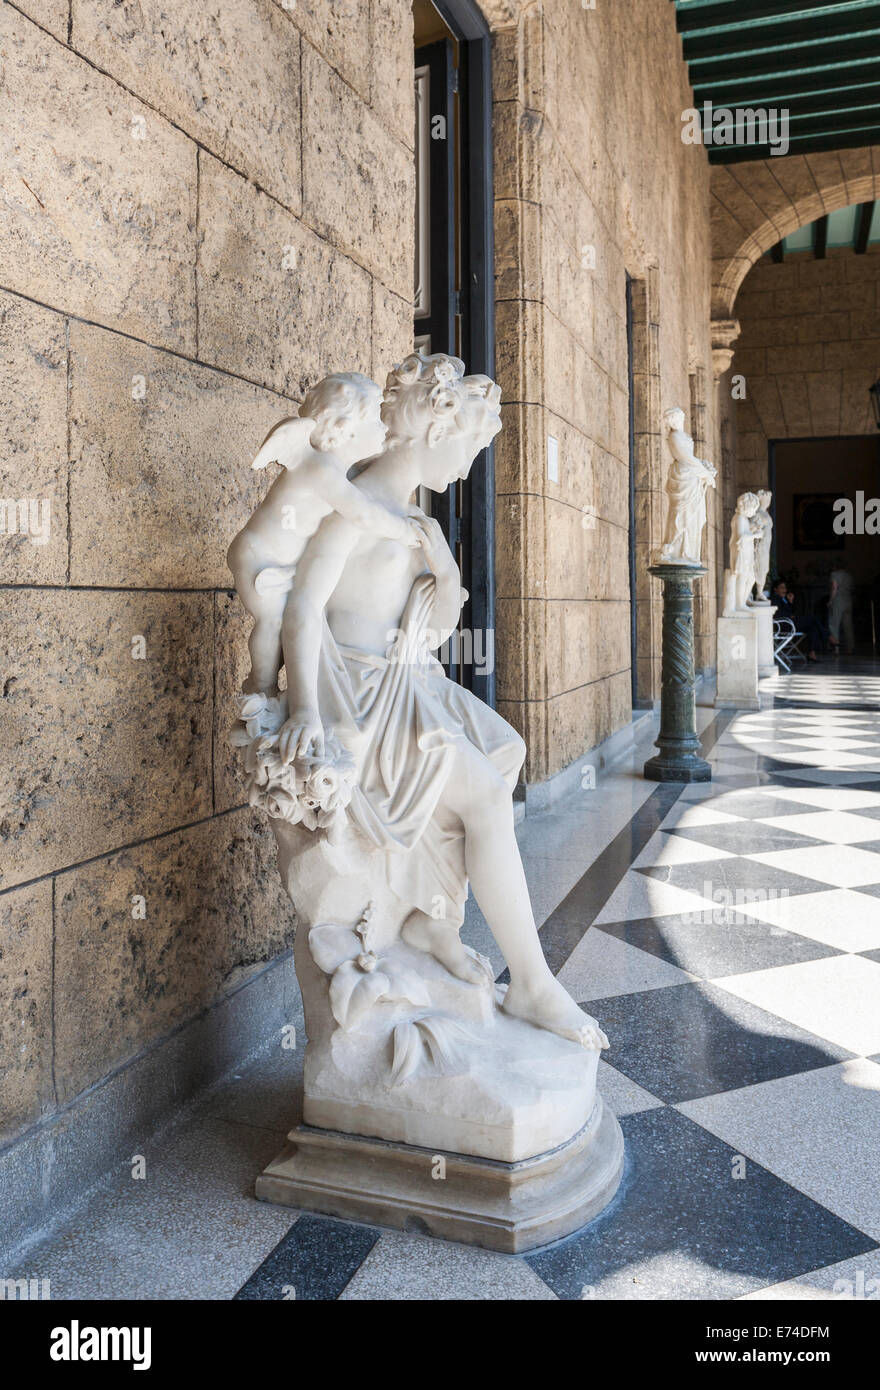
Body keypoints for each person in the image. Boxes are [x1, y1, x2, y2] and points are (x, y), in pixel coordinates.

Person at [276, 350, 606, 1051]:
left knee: (503, 749)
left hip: (411, 683)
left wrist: (447, 566)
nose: (466, 469)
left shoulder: (414, 520)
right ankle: (535, 985)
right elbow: (301, 610)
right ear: (434, 427)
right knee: (483, 796)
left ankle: (432, 920)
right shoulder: (356, 507)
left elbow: (439, 621)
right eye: (469, 449)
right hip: (361, 697)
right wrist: (304, 709)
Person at [227, 373, 419, 696]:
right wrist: (402, 530)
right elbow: (363, 512)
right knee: (271, 622)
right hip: (258, 558)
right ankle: (261, 688)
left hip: (274, 560)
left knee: (280, 625)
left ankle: (266, 687)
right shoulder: (321, 470)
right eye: (375, 419)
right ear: (345, 429)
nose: (383, 427)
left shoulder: (335, 470)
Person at [771, 580, 824, 662]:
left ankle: (811, 653)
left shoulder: (783, 599)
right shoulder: (775, 598)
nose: (784, 590)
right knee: (812, 619)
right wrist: (789, 616)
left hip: (790, 623)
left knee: (812, 628)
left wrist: (790, 601)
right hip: (784, 625)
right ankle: (827, 636)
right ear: (775, 589)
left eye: (785, 588)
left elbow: (791, 612)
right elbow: (777, 614)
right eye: (781, 588)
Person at [828, 565, 855, 654]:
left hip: (838, 601)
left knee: (834, 624)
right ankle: (850, 648)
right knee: (848, 625)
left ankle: (836, 648)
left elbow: (834, 588)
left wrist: (831, 601)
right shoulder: (849, 575)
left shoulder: (835, 574)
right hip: (848, 600)